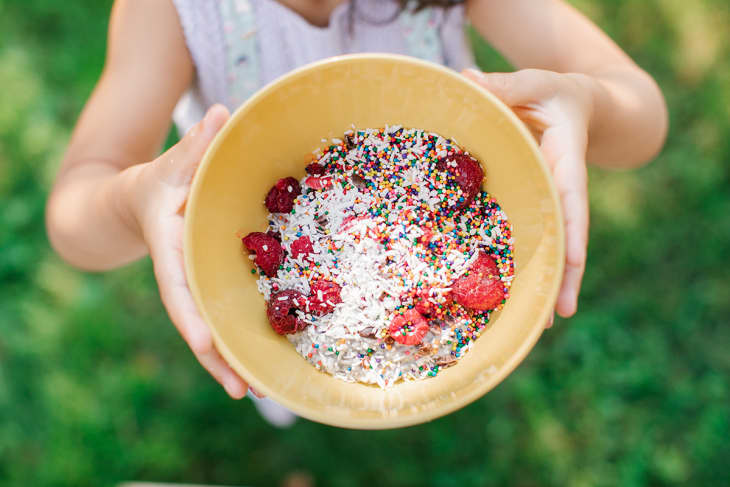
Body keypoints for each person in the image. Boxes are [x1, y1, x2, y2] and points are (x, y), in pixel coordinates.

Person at [46, 0, 667, 415]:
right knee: (295, 380)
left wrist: (588, 102)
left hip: (424, 212)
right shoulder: (169, 11)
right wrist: (132, 200)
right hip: (276, 307)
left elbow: (645, 115)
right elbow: (73, 216)